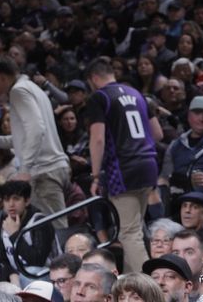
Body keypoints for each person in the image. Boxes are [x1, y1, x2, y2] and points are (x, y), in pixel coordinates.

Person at [84, 57, 159, 273]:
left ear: (94, 79)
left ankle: (150, 289)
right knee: (135, 228)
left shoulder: (100, 97)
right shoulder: (137, 94)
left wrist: (96, 176)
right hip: (149, 164)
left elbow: (97, 139)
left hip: (124, 169)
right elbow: (158, 133)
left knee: (129, 233)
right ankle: (130, 284)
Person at [0, 58, 70, 228]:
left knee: (55, 230)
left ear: (1, 77)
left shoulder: (18, 91)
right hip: (52, 167)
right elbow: (23, 138)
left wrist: (25, 169)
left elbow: (36, 130)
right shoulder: (33, 88)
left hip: (44, 170)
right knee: (48, 229)